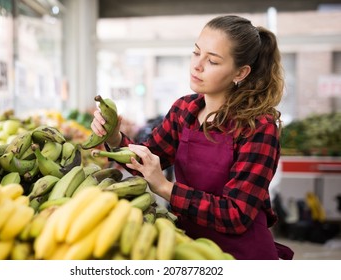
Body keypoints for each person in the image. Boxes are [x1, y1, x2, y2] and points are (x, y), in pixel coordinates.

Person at [91, 15, 294, 260]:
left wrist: (165, 188)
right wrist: (114, 138)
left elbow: (237, 214)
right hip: (188, 246)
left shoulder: (259, 127)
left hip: (242, 255)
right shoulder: (184, 111)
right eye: (196, 53)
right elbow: (146, 160)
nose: (197, 65)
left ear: (240, 72)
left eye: (212, 61)